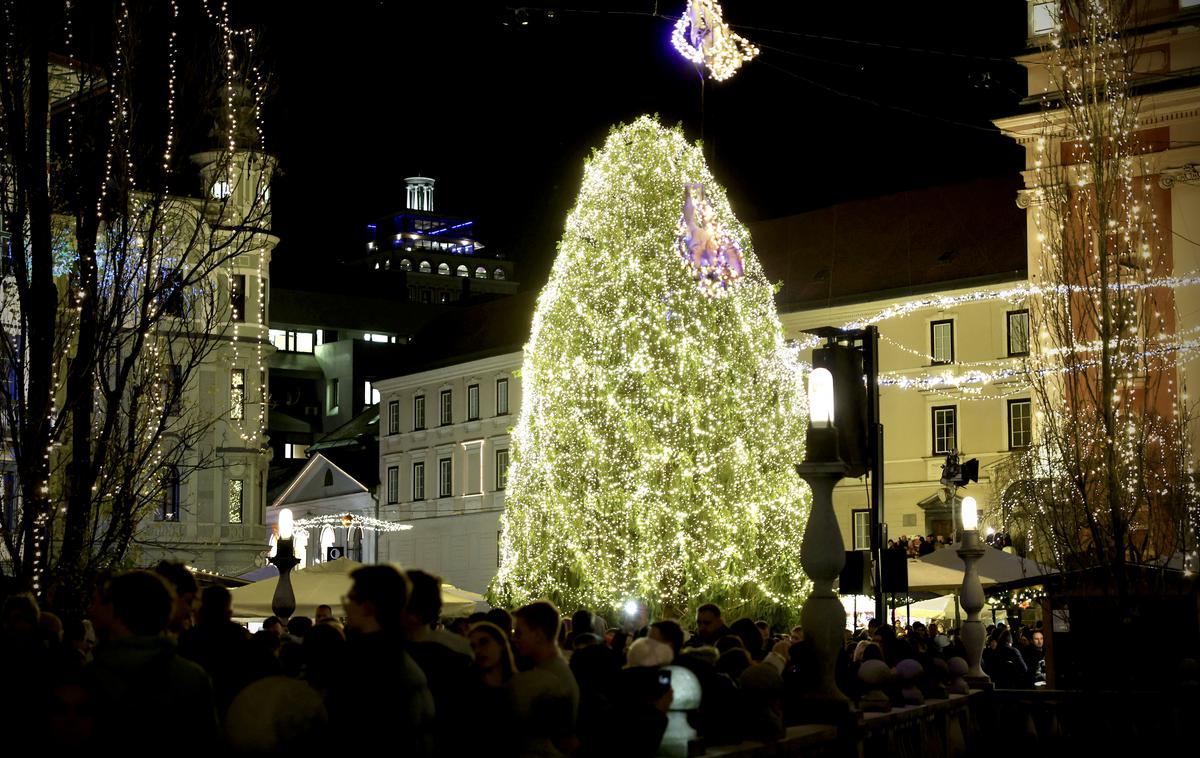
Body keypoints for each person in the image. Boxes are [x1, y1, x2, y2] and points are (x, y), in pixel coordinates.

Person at [88, 570, 219, 752]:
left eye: (98, 602)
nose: (91, 610)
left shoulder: (90, 677)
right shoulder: (192, 677)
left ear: (117, 609)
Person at [326, 565, 434, 757]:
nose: (346, 606)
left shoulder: (366, 666)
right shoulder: (400, 657)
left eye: (350, 599)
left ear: (368, 606)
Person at [510, 600, 580, 756]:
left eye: (519, 633)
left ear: (538, 635)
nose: (514, 639)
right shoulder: (556, 670)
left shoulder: (545, 680)